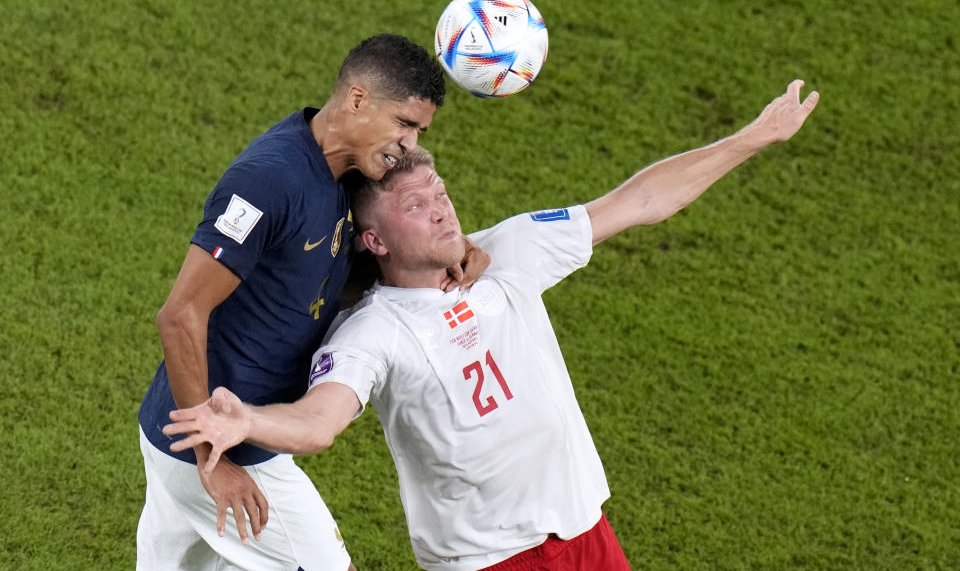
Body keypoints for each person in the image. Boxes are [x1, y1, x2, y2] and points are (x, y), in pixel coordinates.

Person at [163, 80, 820, 570]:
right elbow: (320, 421)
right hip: (489, 561)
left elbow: (639, 200)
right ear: (375, 241)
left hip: (585, 532)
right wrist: (245, 422)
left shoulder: (510, 251)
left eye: (441, 192)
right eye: (416, 205)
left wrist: (751, 138)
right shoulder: (373, 331)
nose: (442, 210)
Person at [137, 33, 489, 571]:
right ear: (356, 99)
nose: (411, 144)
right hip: (217, 439)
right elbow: (180, 314)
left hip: (180, 427)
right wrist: (213, 459)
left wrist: (452, 250)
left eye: (419, 130)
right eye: (404, 124)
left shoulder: (345, 173)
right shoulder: (266, 182)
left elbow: (340, 266)